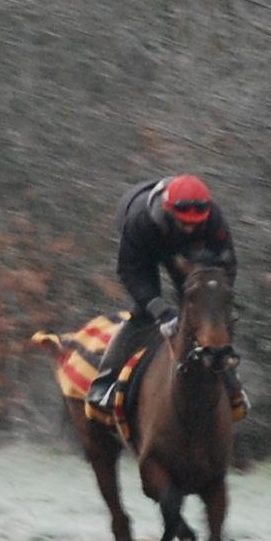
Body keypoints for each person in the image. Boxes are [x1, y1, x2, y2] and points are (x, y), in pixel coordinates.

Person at [85, 173, 243, 410]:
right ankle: (106, 380)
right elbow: (130, 272)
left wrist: (215, 293)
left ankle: (228, 376)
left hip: (190, 255)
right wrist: (160, 310)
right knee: (143, 314)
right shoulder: (139, 221)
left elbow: (228, 263)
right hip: (146, 247)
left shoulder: (213, 218)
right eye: (184, 223)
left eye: (195, 223)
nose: (190, 228)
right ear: (170, 212)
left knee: (208, 311)